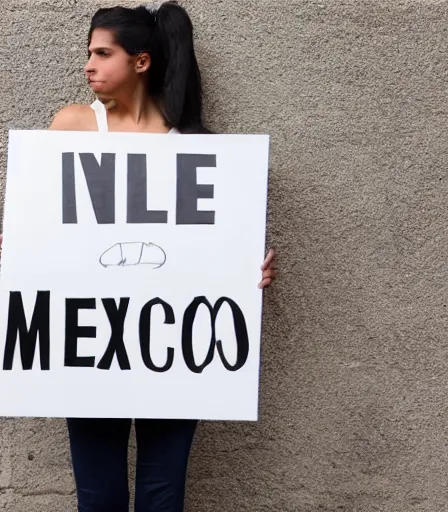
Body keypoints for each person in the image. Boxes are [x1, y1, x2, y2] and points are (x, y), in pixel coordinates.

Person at [27, 2, 276, 511]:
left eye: (102, 53)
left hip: (170, 346)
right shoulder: (73, 126)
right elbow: (44, 222)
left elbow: (210, 246)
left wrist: (244, 272)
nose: (88, 65)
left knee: (164, 495)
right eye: (88, 53)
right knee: (99, 497)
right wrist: (23, 246)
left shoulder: (191, 144)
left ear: (141, 61)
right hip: (92, 343)